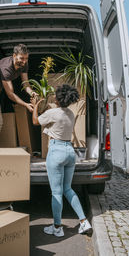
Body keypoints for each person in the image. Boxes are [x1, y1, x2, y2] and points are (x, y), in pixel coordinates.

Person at [32, 84, 92, 237]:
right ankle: (84, 222)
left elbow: (35, 122)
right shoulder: (71, 113)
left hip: (56, 151)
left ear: (58, 99)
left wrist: (35, 107)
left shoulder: (53, 113)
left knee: (56, 193)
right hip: (70, 152)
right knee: (67, 189)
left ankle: (57, 228)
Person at [0, 43, 35, 147]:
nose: (24, 61)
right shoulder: (6, 67)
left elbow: (25, 83)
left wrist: (32, 92)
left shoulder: (24, 64)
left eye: (26, 58)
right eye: (21, 58)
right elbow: (10, 94)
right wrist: (26, 105)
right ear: (14, 55)